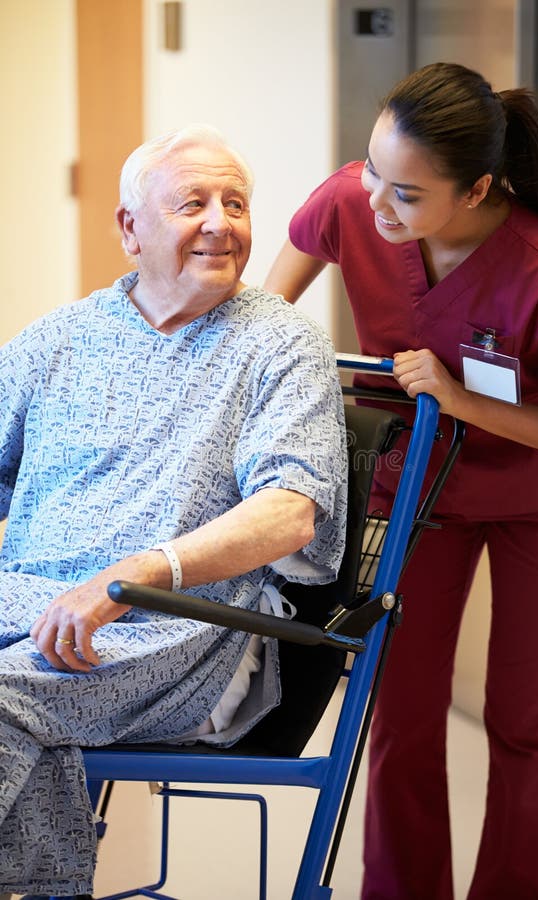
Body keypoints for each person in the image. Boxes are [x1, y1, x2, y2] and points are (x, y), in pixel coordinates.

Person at [265, 62, 538, 900]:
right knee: (403, 712)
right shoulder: (356, 200)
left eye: (406, 193)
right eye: (372, 169)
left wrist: (454, 399)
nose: (375, 202)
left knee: (524, 721)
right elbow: (267, 316)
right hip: (414, 492)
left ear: (478, 187)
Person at [0, 123, 347, 898]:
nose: (222, 221)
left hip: (172, 628)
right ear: (130, 229)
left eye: (237, 203)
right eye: (194, 202)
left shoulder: (280, 345)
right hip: (27, 602)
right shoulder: (61, 339)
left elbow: (292, 512)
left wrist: (140, 570)